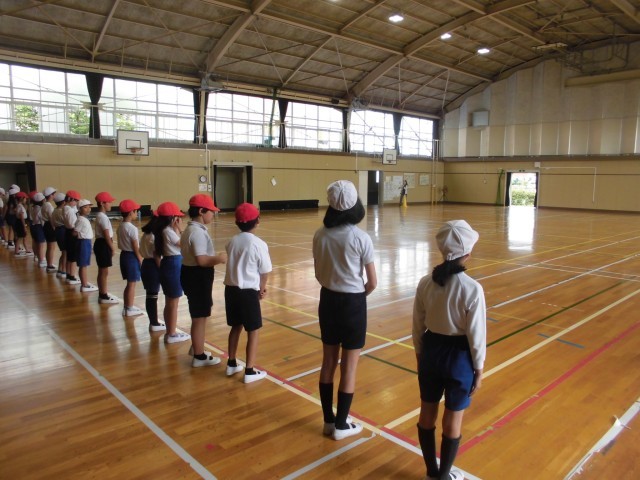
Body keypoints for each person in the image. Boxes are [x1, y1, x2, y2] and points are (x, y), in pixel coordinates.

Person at [412, 220, 486, 480]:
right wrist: (479, 369)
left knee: (427, 412)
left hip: (431, 350)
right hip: (459, 357)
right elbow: (476, 335)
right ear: (468, 253)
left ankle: (431, 472)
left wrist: (420, 355)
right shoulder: (472, 288)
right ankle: (443, 476)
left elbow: (417, 325)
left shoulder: (425, 283)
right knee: (453, 419)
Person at [312, 180, 377, 441]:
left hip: (327, 300)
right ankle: (341, 424)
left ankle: (328, 421)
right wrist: (358, 297)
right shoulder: (361, 238)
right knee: (348, 367)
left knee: (328, 361)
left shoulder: (320, 235)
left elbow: (318, 273)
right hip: (353, 303)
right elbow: (372, 282)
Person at [224, 203, 272, 383]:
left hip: (231, 290)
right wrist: (262, 287)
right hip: (248, 292)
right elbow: (264, 271)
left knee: (235, 326)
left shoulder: (232, 241)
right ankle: (249, 371)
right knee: (253, 330)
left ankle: (231, 363)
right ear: (257, 221)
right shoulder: (258, 244)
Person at [180, 194, 226, 366]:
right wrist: (219, 258)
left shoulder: (191, 229)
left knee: (199, 314)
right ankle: (199, 357)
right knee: (199, 317)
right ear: (201, 211)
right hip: (197, 276)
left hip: (191, 274)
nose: (213, 214)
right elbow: (201, 260)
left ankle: (196, 348)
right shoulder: (197, 233)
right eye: (211, 211)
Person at [153, 201, 188, 344]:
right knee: (173, 302)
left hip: (169, 263)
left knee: (170, 301)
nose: (179, 219)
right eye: (177, 217)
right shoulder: (168, 231)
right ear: (172, 218)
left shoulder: (162, 230)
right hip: (173, 264)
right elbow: (184, 244)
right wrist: (180, 229)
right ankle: (172, 334)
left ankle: (170, 331)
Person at [117, 199, 144, 317]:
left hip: (124, 255)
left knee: (129, 283)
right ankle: (129, 308)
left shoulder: (121, 226)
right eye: (135, 211)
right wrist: (140, 259)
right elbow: (135, 247)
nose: (136, 213)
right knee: (132, 284)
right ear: (130, 212)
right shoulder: (132, 228)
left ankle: (127, 307)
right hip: (131, 257)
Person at [140, 214, 166, 332]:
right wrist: (162, 269)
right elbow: (156, 255)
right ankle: (154, 322)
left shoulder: (146, 234)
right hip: (152, 266)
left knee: (151, 295)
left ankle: (153, 322)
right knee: (152, 296)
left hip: (146, 264)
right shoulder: (154, 236)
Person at [93, 192, 119, 304]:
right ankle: (103, 295)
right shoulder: (102, 217)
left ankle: (102, 293)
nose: (110, 204)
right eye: (109, 202)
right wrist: (112, 248)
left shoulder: (101, 216)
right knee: (104, 272)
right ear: (102, 203)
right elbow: (106, 235)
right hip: (103, 244)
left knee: (102, 271)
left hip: (101, 244)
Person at [74, 199, 98, 293]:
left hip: (86, 242)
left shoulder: (84, 219)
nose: (88, 209)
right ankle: (84, 284)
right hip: (83, 242)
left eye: (89, 207)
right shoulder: (81, 220)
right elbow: (75, 232)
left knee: (84, 264)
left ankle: (84, 283)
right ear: (79, 209)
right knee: (83, 265)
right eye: (85, 207)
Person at [63, 190, 81, 284]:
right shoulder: (69, 210)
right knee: (73, 256)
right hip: (72, 232)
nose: (76, 203)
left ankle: (68, 274)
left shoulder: (66, 208)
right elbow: (72, 224)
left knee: (69, 256)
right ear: (71, 199)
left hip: (68, 232)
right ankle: (72, 276)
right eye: (76, 200)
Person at [41, 187, 58, 273]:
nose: (54, 196)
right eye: (54, 194)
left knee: (50, 247)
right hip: (50, 226)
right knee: (51, 247)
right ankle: (50, 265)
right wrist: (54, 228)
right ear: (50, 195)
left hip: (46, 225)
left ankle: (49, 264)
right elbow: (51, 218)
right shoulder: (48, 205)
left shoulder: (44, 204)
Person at [51, 192, 67, 278]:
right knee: (65, 252)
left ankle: (60, 269)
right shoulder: (61, 212)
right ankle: (63, 270)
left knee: (63, 252)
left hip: (58, 231)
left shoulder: (54, 210)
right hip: (62, 231)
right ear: (64, 202)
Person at [13, 191, 34, 258]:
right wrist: (24, 226)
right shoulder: (20, 206)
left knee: (24, 236)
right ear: (22, 198)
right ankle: (16, 251)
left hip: (19, 222)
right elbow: (21, 216)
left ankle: (27, 250)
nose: (26, 200)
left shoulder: (18, 206)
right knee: (20, 238)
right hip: (20, 222)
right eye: (25, 198)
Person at [30, 192, 47, 267]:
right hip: (39, 227)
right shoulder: (40, 209)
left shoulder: (33, 207)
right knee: (41, 244)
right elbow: (41, 219)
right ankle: (41, 260)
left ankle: (36, 256)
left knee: (36, 242)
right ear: (42, 201)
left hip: (33, 226)